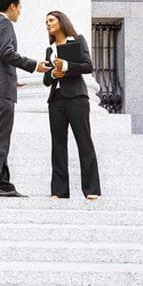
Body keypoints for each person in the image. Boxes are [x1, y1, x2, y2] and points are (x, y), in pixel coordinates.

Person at [0, 0, 51, 197]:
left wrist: (11, 79)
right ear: (12, 6)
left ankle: (2, 182)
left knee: (0, 137)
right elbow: (5, 52)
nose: (20, 12)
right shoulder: (3, 24)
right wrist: (34, 65)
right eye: (20, 7)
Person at [43, 10, 101, 200]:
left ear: (61, 21)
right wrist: (53, 74)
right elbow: (46, 79)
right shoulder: (50, 50)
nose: (48, 24)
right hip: (56, 100)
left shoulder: (77, 40)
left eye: (51, 20)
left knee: (84, 142)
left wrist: (66, 67)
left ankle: (92, 190)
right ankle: (59, 191)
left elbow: (87, 66)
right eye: (46, 22)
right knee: (57, 145)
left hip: (77, 98)